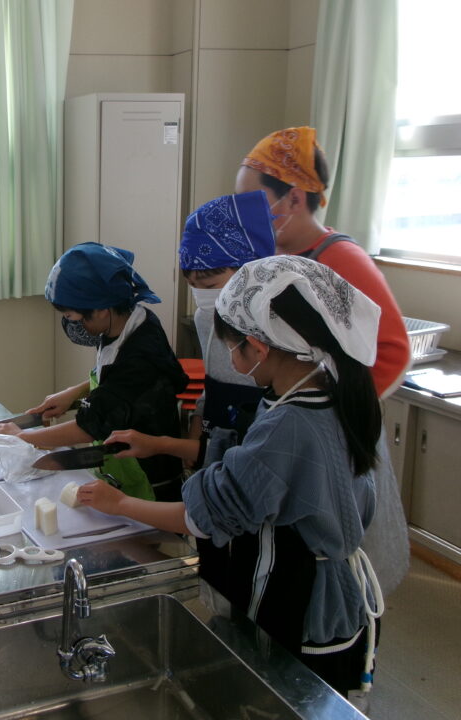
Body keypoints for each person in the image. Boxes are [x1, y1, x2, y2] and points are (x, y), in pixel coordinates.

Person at [79, 256, 385, 698]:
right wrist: (160, 444)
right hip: (335, 593)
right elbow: (252, 464)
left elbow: (203, 517)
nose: (228, 357)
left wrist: (119, 504)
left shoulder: (290, 426)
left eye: (231, 348)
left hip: (296, 603)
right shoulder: (326, 390)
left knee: (277, 700)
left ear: (257, 349)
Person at [235, 126, 410, 598]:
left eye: (253, 202)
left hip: (330, 430)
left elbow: (393, 350)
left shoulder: (342, 259)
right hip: (293, 423)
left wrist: (330, 413)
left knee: (333, 558)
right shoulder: (281, 255)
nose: (246, 215)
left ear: (293, 198)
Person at [0, 242, 188, 501]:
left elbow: (88, 427)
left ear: (101, 310)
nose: (73, 325)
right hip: (119, 468)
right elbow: (115, 381)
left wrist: (23, 437)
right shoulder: (128, 323)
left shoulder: (142, 352)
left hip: (149, 481)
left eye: (74, 318)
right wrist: (74, 393)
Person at [129, 190, 276, 469]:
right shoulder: (206, 316)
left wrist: (165, 445)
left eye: (209, 286)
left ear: (250, 270)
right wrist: (196, 427)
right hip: (212, 438)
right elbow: (211, 383)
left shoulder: (276, 331)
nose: (202, 297)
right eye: (193, 287)